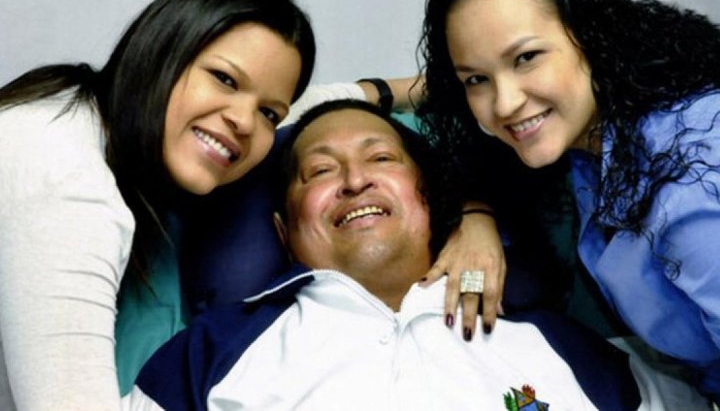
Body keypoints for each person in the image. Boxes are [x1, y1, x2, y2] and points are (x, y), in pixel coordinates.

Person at [123, 99, 707, 410]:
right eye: (320, 170)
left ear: (430, 200)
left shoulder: (563, 347)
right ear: (283, 230)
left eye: (381, 159)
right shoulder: (209, 355)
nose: (355, 180)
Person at [416, 0, 720, 401]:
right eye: (476, 78)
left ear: (592, 36)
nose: (504, 103)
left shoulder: (692, 184)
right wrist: (476, 216)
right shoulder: (595, 127)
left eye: (527, 58)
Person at [0, 0, 316, 409]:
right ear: (161, 49)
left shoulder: (65, 104)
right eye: (225, 79)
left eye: (269, 114)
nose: (244, 122)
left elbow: (314, 103)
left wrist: (388, 90)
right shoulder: (73, 191)